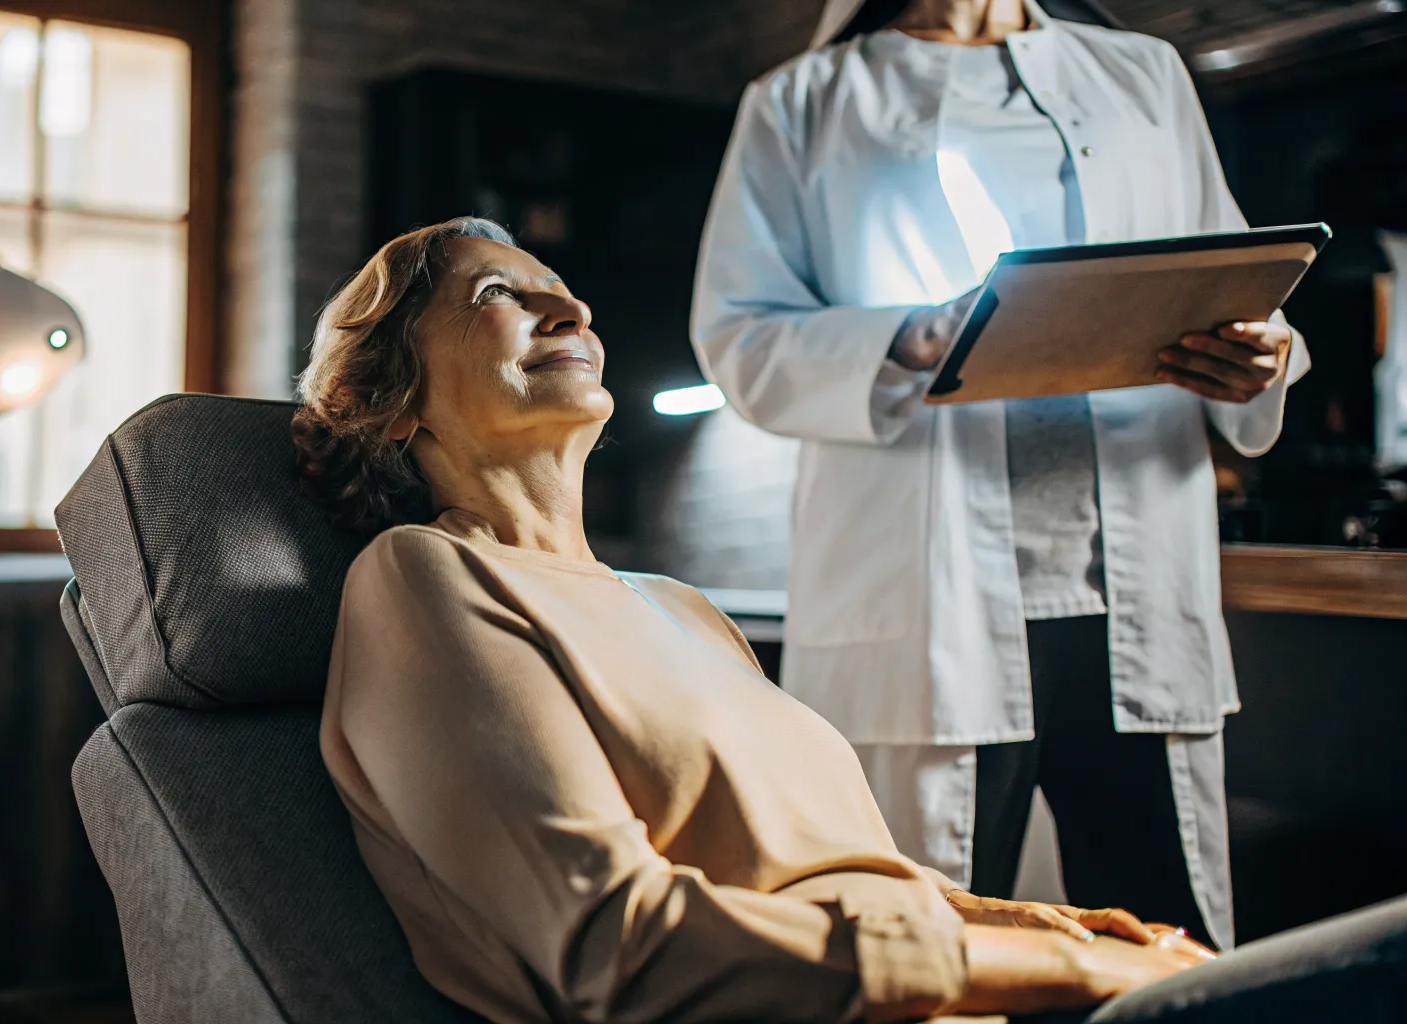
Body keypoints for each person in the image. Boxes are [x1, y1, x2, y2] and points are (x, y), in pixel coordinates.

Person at [298, 216, 1404, 1023]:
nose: (569, 307)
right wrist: (1075, 973)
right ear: (386, 405)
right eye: (497, 294)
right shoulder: (423, 580)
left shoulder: (680, 610)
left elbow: (841, 874)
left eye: (558, 284)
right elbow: (617, 949)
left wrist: (1060, 929)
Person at [688, 0, 1309, 951]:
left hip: (1132, 591)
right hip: (926, 609)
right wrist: (914, 335)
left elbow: (1229, 277)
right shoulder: (804, 100)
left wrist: (1260, 354)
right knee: (945, 944)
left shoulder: (1142, 74)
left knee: (1165, 942)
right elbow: (739, 336)